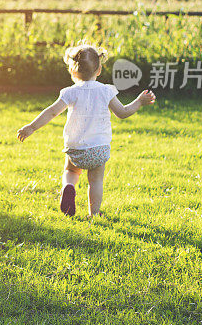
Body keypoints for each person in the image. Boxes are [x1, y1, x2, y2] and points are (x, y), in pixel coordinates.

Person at [16, 44, 156, 218]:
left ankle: (69, 186)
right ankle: (94, 214)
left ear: (73, 71)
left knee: (71, 171)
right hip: (98, 149)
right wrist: (139, 102)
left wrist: (31, 127)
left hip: (75, 149)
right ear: (99, 70)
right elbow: (122, 112)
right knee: (96, 181)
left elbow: (51, 111)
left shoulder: (70, 92)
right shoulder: (106, 91)